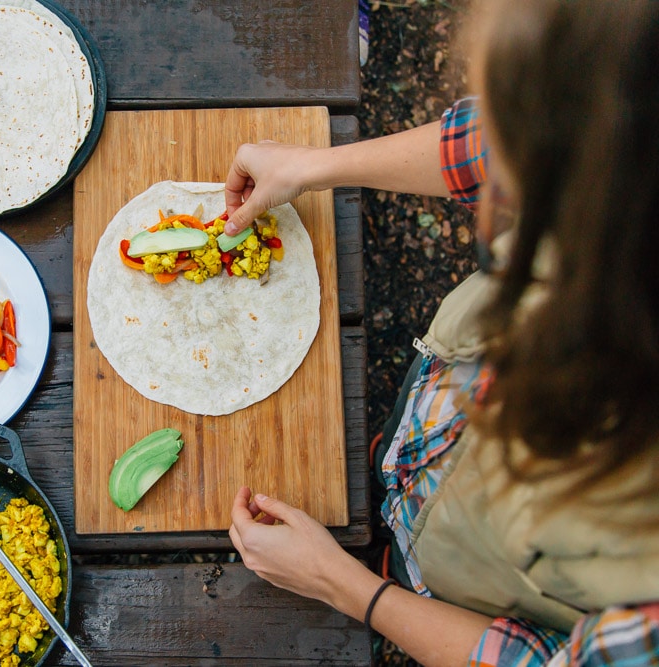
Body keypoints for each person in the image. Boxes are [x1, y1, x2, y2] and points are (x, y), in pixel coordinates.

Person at [224, 0, 659, 664]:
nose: (497, 214)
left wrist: (348, 587)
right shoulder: (623, 118)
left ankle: (400, 561)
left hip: (472, 589)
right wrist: (312, 167)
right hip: (438, 434)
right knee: (395, 464)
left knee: (421, 562)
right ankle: (392, 481)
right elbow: (485, 147)